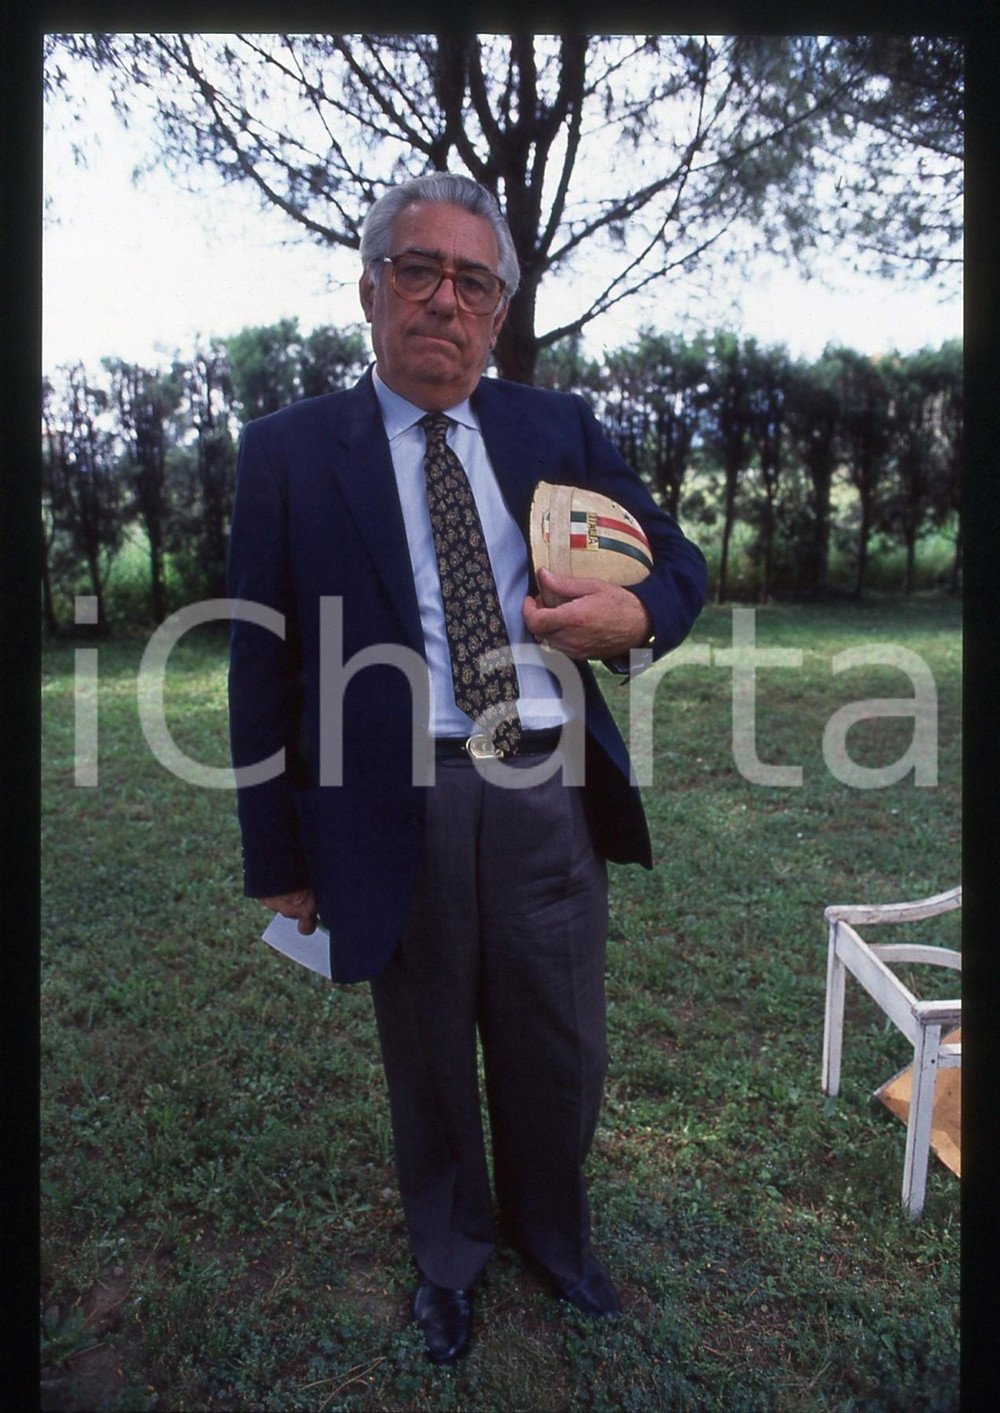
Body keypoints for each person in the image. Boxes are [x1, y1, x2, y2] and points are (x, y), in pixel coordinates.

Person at [228, 172, 707, 1364]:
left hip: (543, 786)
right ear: (370, 288)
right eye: (418, 270)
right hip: (394, 800)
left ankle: (556, 1239)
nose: (443, 299)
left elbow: (677, 567)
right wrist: (278, 857)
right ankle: (449, 1258)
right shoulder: (288, 452)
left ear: (497, 314)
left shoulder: (560, 431)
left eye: (472, 282)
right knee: (429, 1051)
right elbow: (259, 664)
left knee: (560, 1045)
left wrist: (635, 616)